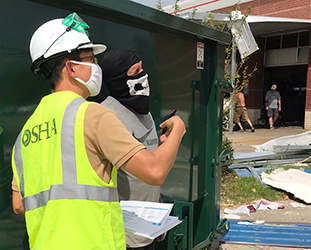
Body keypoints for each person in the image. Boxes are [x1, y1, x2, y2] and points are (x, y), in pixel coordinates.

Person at [11, 13, 185, 250]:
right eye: (91, 59)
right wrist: (178, 130)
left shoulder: (26, 133)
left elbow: (19, 205)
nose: (96, 67)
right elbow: (154, 171)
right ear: (71, 68)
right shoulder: (92, 115)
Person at [100, 49, 162, 250]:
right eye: (135, 71)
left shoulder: (144, 111)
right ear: (118, 80)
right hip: (123, 236)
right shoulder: (107, 116)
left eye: (142, 68)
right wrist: (177, 134)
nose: (143, 75)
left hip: (149, 227)